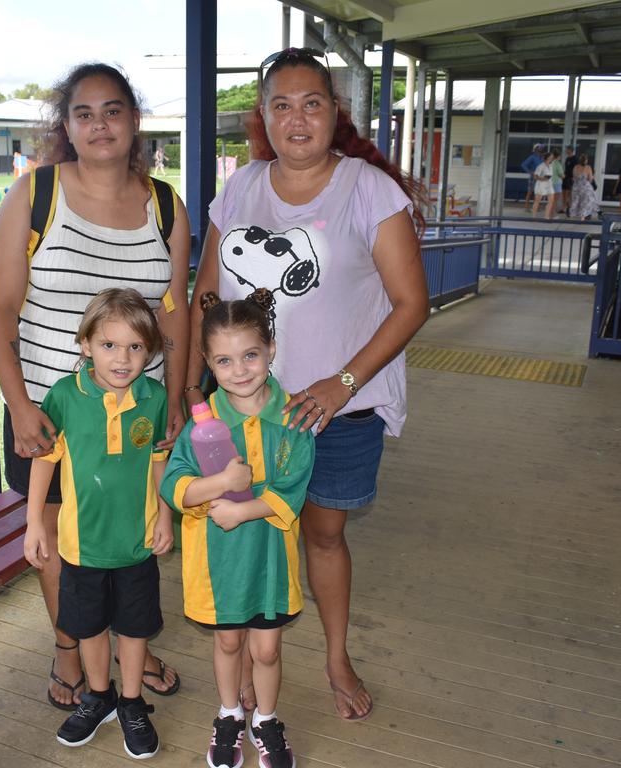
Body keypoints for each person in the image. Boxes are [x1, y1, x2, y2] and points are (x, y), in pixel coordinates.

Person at [185, 47, 429, 722]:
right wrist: (192, 392)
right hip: (238, 410)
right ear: (263, 117)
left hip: (334, 414)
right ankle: (243, 688)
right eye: (282, 105)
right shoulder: (239, 188)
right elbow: (206, 292)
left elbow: (412, 303)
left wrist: (342, 383)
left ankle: (335, 654)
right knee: (242, 532)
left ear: (334, 113)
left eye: (312, 103)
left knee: (322, 535)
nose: (297, 118)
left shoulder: (367, 188)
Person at [0, 62, 189, 711]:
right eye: (84, 113)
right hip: (54, 414)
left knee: (130, 539)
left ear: (134, 120)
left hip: (137, 417)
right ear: (67, 126)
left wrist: (177, 399)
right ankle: (69, 649)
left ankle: (129, 644)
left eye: (114, 110)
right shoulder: (36, 195)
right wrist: (19, 405)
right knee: (61, 548)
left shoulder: (164, 202)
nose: (100, 124)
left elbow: (174, 311)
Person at [162, 289, 314, 768]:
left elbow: (293, 486)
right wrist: (219, 486)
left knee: (266, 649)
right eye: (224, 360)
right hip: (219, 559)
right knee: (228, 640)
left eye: (250, 355)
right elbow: (174, 485)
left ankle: (265, 719)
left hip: (270, 559)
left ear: (270, 347)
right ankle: (229, 714)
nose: (240, 369)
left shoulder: (293, 419)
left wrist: (242, 510)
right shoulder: (201, 423)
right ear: (208, 361)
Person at [24, 288, 173, 758]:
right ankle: (99, 696)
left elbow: (158, 461)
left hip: (135, 543)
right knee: (89, 627)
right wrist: (33, 523)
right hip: (81, 546)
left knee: (133, 627)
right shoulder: (65, 396)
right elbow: (45, 460)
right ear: (84, 344)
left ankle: (130, 701)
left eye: (135, 347)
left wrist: (165, 514)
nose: (123, 358)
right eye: (109, 345)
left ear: (149, 351)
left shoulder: (154, 397)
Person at [569, 154, 598, 221]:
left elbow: (573, 177)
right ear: (586, 161)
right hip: (585, 187)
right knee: (586, 201)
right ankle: (583, 216)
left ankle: (572, 215)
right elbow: (590, 179)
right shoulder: (588, 168)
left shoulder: (575, 167)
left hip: (576, 187)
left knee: (575, 201)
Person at [531, 150, 556, 219]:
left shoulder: (551, 166)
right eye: (551, 157)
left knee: (551, 200)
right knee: (537, 201)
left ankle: (546, 216)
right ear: (547, 158)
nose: (552, 158)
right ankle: (533, 217)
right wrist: (543, 178)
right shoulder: (540, 166)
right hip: (541, 184)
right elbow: (535, 176)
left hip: (549, 184)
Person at [520, 144, 544, 210]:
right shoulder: (532, 157)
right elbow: (523, 165)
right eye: (539, 148)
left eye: (541, 148)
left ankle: (536, 207)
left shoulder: (542, 157)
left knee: (538, 192)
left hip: (540, 177)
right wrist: (531, 172)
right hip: (533, 177)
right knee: (530, 192)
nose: (541, 149)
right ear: (535, 149)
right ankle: (526, 207)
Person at [561, 147, 577, 216]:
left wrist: (574, 177)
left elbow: (576, 168)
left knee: (568, 194)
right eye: (566, 150)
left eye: (567, 150)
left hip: (571, 178)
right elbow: (566, 168)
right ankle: (564, 208)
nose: (566, 151)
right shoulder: (567, 159)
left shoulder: (575, 159)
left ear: (571, 150)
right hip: (565, 177)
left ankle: (569, 208)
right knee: (563, 193)